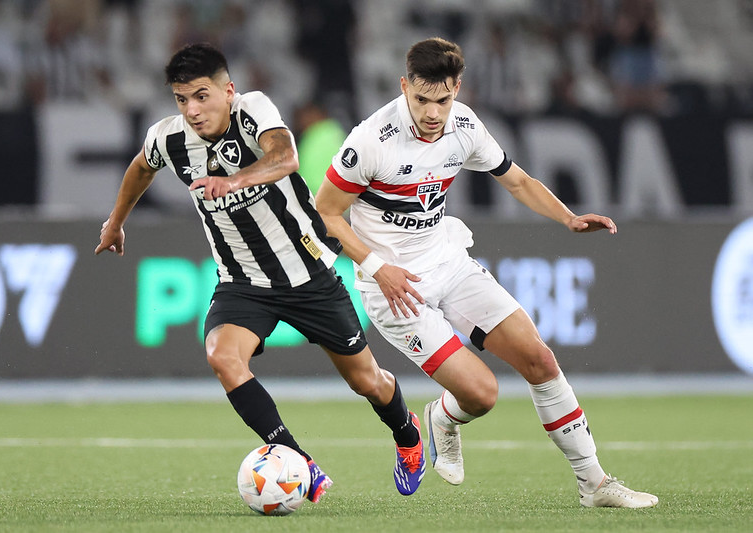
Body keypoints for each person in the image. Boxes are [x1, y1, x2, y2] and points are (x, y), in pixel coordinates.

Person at [314, 37, 658, 508]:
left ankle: (594, 484)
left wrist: (568, 217)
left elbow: (516, 179)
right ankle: (443, 417)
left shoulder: (465, 126)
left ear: (457, 87)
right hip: (395, 290)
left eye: (443, 99)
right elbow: (326, 213)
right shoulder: (372, 140)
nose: (432, 113)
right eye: (421, 99)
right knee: (482, 395)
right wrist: (377, 266)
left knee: (540, 360)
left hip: (449, 262)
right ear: (404, 87)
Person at [94, 43, 425, 501]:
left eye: (202, 95)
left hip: (309, 273)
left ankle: (407, 436)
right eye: (181, 99)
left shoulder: (254, 111)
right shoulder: (167, 138)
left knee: (367, 380)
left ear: (228, 91)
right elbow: (140, 168)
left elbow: (285, 157)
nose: (192, 110)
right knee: (221, 356)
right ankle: (299, 463)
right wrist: (115, 223)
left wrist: (232, 181)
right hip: (242, 282)